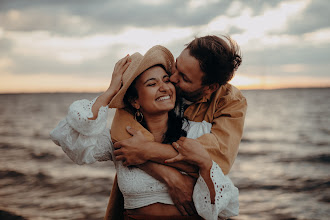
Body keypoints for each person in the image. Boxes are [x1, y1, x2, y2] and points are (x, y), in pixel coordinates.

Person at [50, 45, 239, 220]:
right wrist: (111, 91)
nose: (165, 87)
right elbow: (70, 139)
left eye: (166, 80)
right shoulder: (121, 138)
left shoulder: (198, 131)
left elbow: (221, 207)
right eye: (152, 84)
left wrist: (205, 165)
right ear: (135, 101)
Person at [106, 35, 247, 219]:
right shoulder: (162, 78)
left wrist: (147, 150)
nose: (172, 78)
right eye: (177, 66)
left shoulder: (230, 102)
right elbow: (123, 133)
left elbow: (216, 161)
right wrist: (171, 177)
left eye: (184, 78)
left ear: (210, 87)